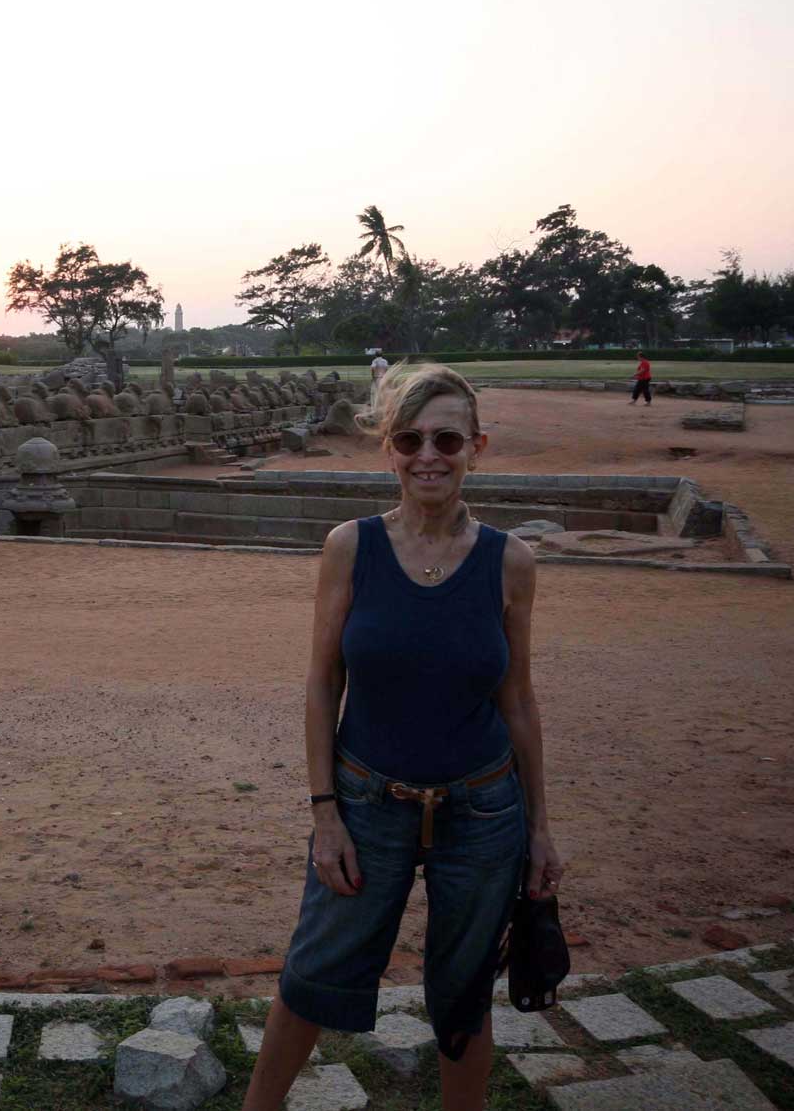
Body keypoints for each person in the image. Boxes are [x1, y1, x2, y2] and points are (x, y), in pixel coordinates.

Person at [243, 365, 562, 1111]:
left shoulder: (510, 562)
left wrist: (540, 826)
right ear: (389, 449)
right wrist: (325, 811)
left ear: (476, 447)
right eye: (410, 439)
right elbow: (324, 681)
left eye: (447, 439)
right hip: (366, 801)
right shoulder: (351, 547)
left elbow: (518, 700)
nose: (428, 456)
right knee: (311, 975)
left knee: (464, 994)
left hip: (482, 810)